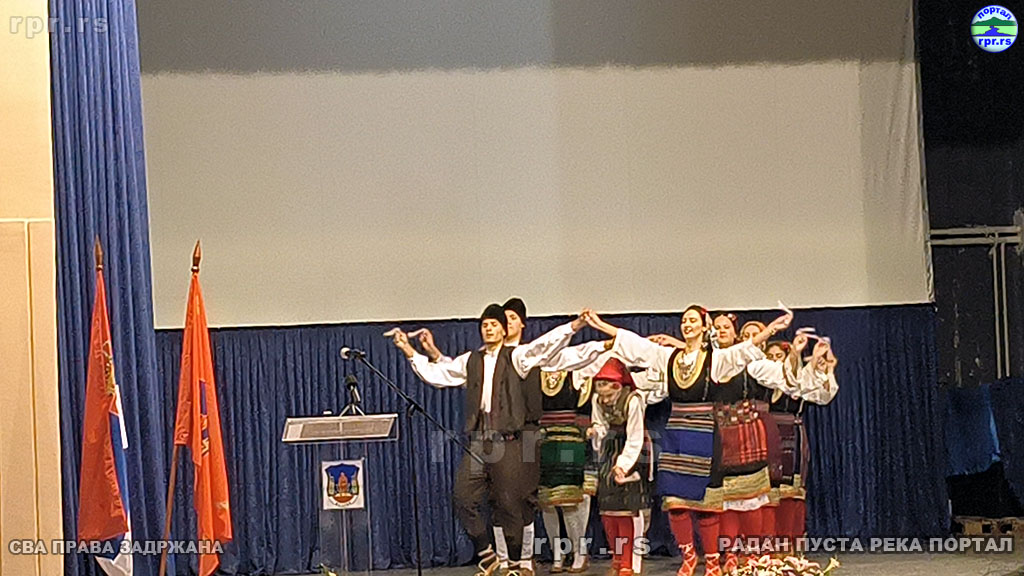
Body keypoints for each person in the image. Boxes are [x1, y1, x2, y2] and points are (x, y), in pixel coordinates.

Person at [586, 307, 791, 576]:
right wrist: (601, 325)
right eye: (684, 320)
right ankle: (689, 557)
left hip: (705, 433)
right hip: (676, 433)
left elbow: (742, 351)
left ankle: (714, 562)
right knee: (675, 504)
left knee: (707, 505)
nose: (687, 324)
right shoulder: (669, 357)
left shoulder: (715, 359)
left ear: (704, 327)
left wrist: (770, 330)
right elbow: (636, 345)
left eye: (693, 320)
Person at [390, 305, 591, 576]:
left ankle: (518, 563)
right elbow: (441, 374)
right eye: (485, 325)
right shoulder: (472, 360)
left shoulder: (516, 356)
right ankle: (487, 553)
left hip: (510, 440)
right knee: (463, 496)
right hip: (480, 440)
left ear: (504, 329)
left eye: (494, 324)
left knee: (510, 503)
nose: (489, 329)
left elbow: (544, 346)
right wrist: (409, 351)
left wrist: (574, 326)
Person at [588, 358, 652, 576]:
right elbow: (600, 423)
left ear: (618, 387)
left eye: (609, 395)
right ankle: (616, 556)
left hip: (631, 451)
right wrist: (596, 431)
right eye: (602, 396)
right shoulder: (597, 399)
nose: (605, 400)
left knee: (627, 509)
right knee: (608, 508)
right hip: (609, 449)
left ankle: (628, 561)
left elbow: (635, 436)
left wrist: (623, 465)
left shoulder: (633, 400)